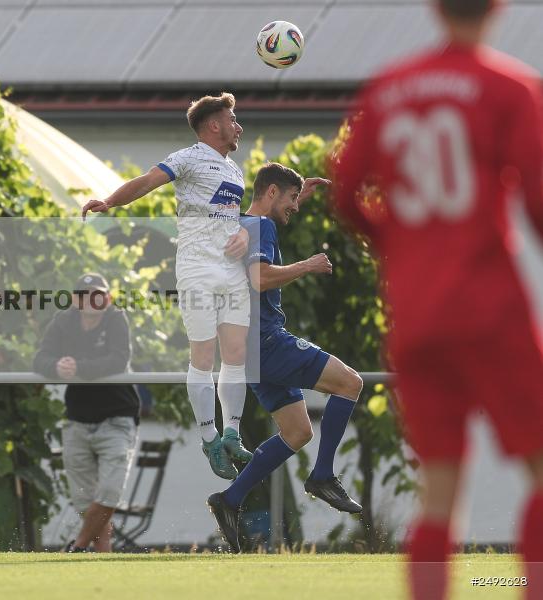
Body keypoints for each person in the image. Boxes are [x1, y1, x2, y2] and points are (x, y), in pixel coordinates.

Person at [332, 0, 543, 597]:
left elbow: (346, 192)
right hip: (490, 305)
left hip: (418, 312)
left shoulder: (390, 87)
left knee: (440, 489)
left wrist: (401, 247)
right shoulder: (512, 87)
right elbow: (536, 200)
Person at [82, 93, 253, 481]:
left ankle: (231, 433)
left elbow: (233, 220)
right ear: (214, 126)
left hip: (230, 271)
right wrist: (110, 202)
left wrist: (243, 231)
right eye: (233, 119)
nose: (238, 126)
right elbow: (147, 181)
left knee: (238, 352)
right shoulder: (189, 157)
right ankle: (209, 438)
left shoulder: (236, 171)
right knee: (204, 356)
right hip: (196, 269)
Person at [207, 162, 364, 553]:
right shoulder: (262, 226)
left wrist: (297, 194)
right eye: (292, 199)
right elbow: (259, 278)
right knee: (350, 383)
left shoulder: (244, 223)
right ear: (272, 192)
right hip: (266, 341)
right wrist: (308, 265)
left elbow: (265, 210)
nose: (295, 207)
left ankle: (229, 500)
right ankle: (323, 476)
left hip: (246, 349)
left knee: (298, 431)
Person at [33, 273, 140, 552]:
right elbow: (40, 358)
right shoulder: (63, 321)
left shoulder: (117, 318)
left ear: (108, 298)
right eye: (84, 293)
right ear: (75, 300)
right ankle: (103, 557)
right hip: (77, 419)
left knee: (109, 493)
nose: (91, 299)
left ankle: (77, 547)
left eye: (98, 293)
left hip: (118, 418)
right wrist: (56, 367)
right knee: (83, 500)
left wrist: (79, 368)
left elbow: (119, 360)